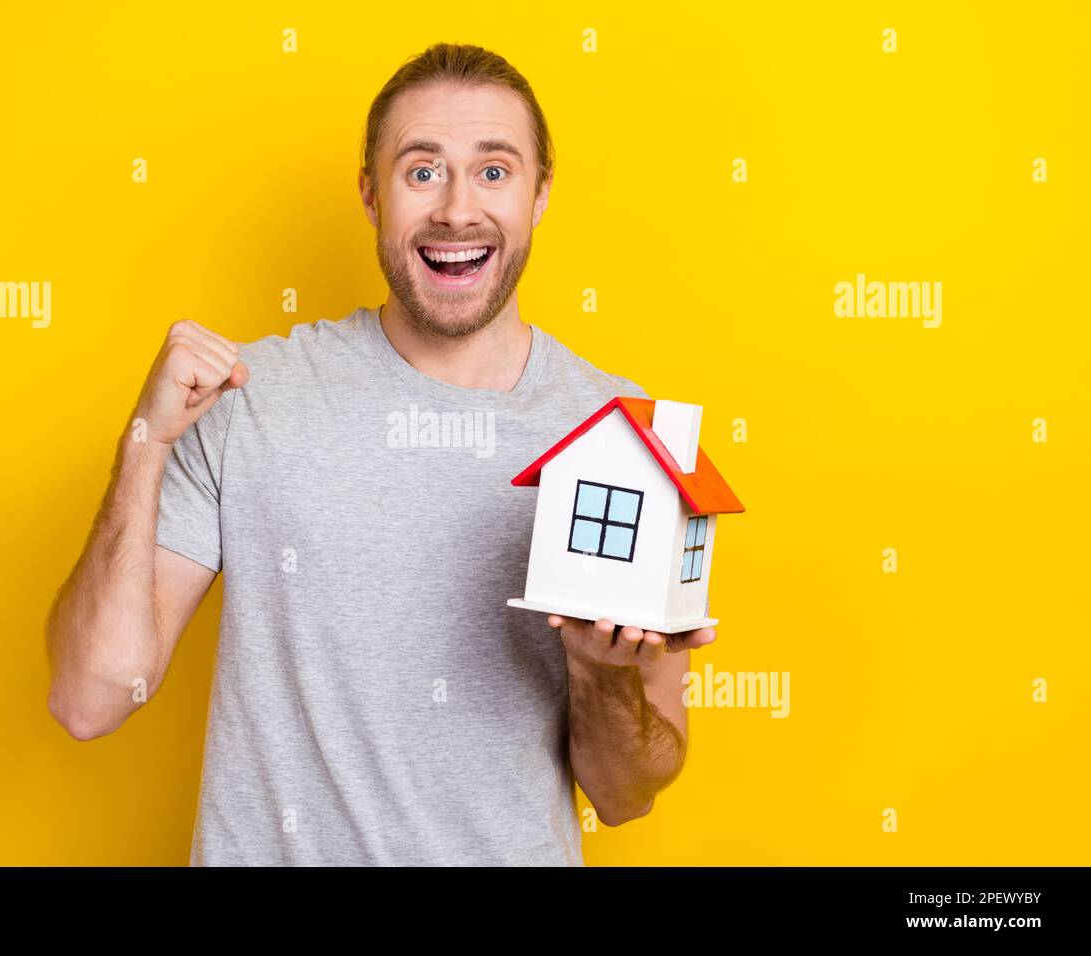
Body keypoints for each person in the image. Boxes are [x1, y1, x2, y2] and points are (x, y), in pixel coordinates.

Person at [45, 42, 716, 866]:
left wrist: (597, 669)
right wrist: (143, 443)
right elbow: (89, 699)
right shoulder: (248, 399)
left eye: (495, 172)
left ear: (541, 196)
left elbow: (626, 798)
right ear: (371, 194)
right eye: (422, 171)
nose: (458, 210)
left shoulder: (622, 436)